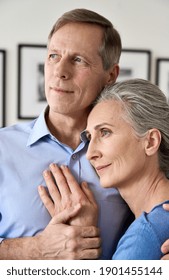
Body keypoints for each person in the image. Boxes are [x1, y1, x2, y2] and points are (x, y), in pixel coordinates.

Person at [0, 8, 132, 260]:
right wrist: (35, 250)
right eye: (53, 56)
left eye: (78, 60)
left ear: (110, 76)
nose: (59, 71)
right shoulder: (2, 147)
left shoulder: (133, 152)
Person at [84, 78, 169, 259]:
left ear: (151, 142)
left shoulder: (145, 234)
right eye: (89, 137)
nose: (90, 153)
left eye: (105, 132)